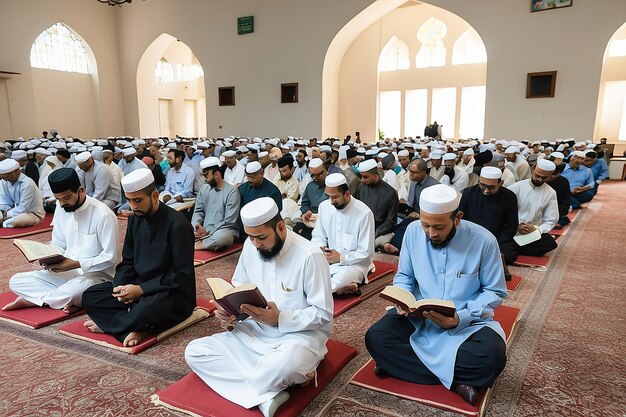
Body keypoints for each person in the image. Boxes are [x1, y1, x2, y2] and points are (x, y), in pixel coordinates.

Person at [185, 197, 333, 417]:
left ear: (281, 227)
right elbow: (238, 285)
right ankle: (269, 394)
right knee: (194, 352)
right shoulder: (250, 245)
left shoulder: (310, 255)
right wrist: (229, 311)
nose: (256, 244)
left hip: (296, 338)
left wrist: (279, 319)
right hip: (252, 332)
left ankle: (269, 379)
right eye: (251, 237)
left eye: (261, 237)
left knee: (285, 365)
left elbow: (323, 314)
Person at [365, 184, 508, 406]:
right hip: (418, 318)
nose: (431, 233)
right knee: (376, 337)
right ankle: (459, 381)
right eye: (426, 225)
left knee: (492, 357)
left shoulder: (484, 241)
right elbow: (404, 275)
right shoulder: (413, 232)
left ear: (458, 218)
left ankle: (397, 364)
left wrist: (460, 318)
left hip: (466, 323)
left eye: (439, 227)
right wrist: (402, 297)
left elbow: (494, 291)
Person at [81, 168, 196, 347]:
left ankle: (115, 324)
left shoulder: (178, 225)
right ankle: (131, 324)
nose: (133, 206)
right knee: (90, 296)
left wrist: (141, 290)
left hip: (170, 292)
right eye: (129, 200)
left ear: (155, 196)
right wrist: (120, 287)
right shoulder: (135, 219)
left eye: (138, 200)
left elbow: (181, 274)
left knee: (146, 310)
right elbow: (127, 261)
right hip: (136, 286)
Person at [3, 168, 118, 313]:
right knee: (16, 281)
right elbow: (59, 243)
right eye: (58, 199)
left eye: (67, 198)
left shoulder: (103, 214)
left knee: (75, 292)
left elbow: (109, 258)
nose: (62, 203)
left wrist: (75, 264)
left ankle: (33, 299)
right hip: (65, 271)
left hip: (95, 276)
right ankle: (61, 299)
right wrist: (47, 257)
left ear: (81, 191)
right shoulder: (61, 207)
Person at [311, 173, 375, 295]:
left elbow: (366, 252)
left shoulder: (364, 213)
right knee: (306, 272)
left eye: (335, 197)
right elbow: (318, 236)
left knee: (340, 279)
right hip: (329, 260)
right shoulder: (324, 207)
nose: (331, 201)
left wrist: (341, 258)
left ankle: (337, 288)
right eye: (328, 196)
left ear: (347, 194)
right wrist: (321, 248)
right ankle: (339, 291)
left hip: (355, 264)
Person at [458, 167, 519, 266]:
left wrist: (493, 242)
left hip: (497, 240)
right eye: (482, 185)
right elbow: (461, 221)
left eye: (491, 187)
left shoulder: (509, 197)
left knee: (508, 253)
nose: (486, 190)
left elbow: (511, 226)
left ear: (500, 183)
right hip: (472, 238)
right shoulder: (468, 193)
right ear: (479, 181)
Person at [383, 159, 438, 255]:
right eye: (410, 171)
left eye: (414, 173)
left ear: (424, 173)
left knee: (409, 227)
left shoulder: (434, 186)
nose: (410, 175)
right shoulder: (413, 183)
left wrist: (420, 216)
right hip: (415, 216)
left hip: (429, 219)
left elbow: (436, 210)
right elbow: (410, 204)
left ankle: (398, 248)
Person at [507, 159, 559, 257]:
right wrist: (516, 226)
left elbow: (551, 220)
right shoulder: (515, 188)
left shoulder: (550, 193)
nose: (539, 179)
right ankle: (512, 247)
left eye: (544, 178)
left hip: (532, 233)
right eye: (537, 175)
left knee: (550, 243)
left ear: (551, 176)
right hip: (511, 229)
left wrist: (537, 229)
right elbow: (502, 212)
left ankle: (512, 247)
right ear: (532, 169)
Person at [192, 157, 240, 251]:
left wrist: (208, 231)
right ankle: (203, 242)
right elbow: (198, 211)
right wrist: (196, 227)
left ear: (217, 174)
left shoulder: (232, 192)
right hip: (204, 232)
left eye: (206, 175)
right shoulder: (204, 189)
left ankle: (198, 245)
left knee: (222, 237)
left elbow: (229, 221)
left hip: (224, 230)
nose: (205, 179)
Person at [354, 159, 399, 249]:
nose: (362, 180)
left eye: (365, 177)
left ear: (375, 175)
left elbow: (390, 221)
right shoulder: (362, 187)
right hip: (360, 231)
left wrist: (375, 232)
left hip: (379, 234)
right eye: (361, 177)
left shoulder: (390, 193)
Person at [0, 159, 45, 228]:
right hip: (13, 211)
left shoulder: (27, 183)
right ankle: (6, 221)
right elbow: (6, 200)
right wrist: (3, 211)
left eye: (6, 176)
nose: (5, 179)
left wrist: (6, 215)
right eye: (2, 177)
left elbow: (23, 208)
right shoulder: (4, 181)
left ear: (18, 171)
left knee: (19, 220)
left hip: (31, 214)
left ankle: (4, 223)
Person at [293, 158, 328, 240]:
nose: (315, 178)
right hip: (310, 221)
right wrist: (306, 212)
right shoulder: (310, 186)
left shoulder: (332, 185)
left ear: (325, 172)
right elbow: (305, 203)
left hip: (326, 222)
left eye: (318, 175)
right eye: (312, 175)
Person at [546, 162, 571, 229]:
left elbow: (565, 201)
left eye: (554, 174)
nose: (551, 176)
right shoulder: (538, 180)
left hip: (554, 210)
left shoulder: (563, 181)